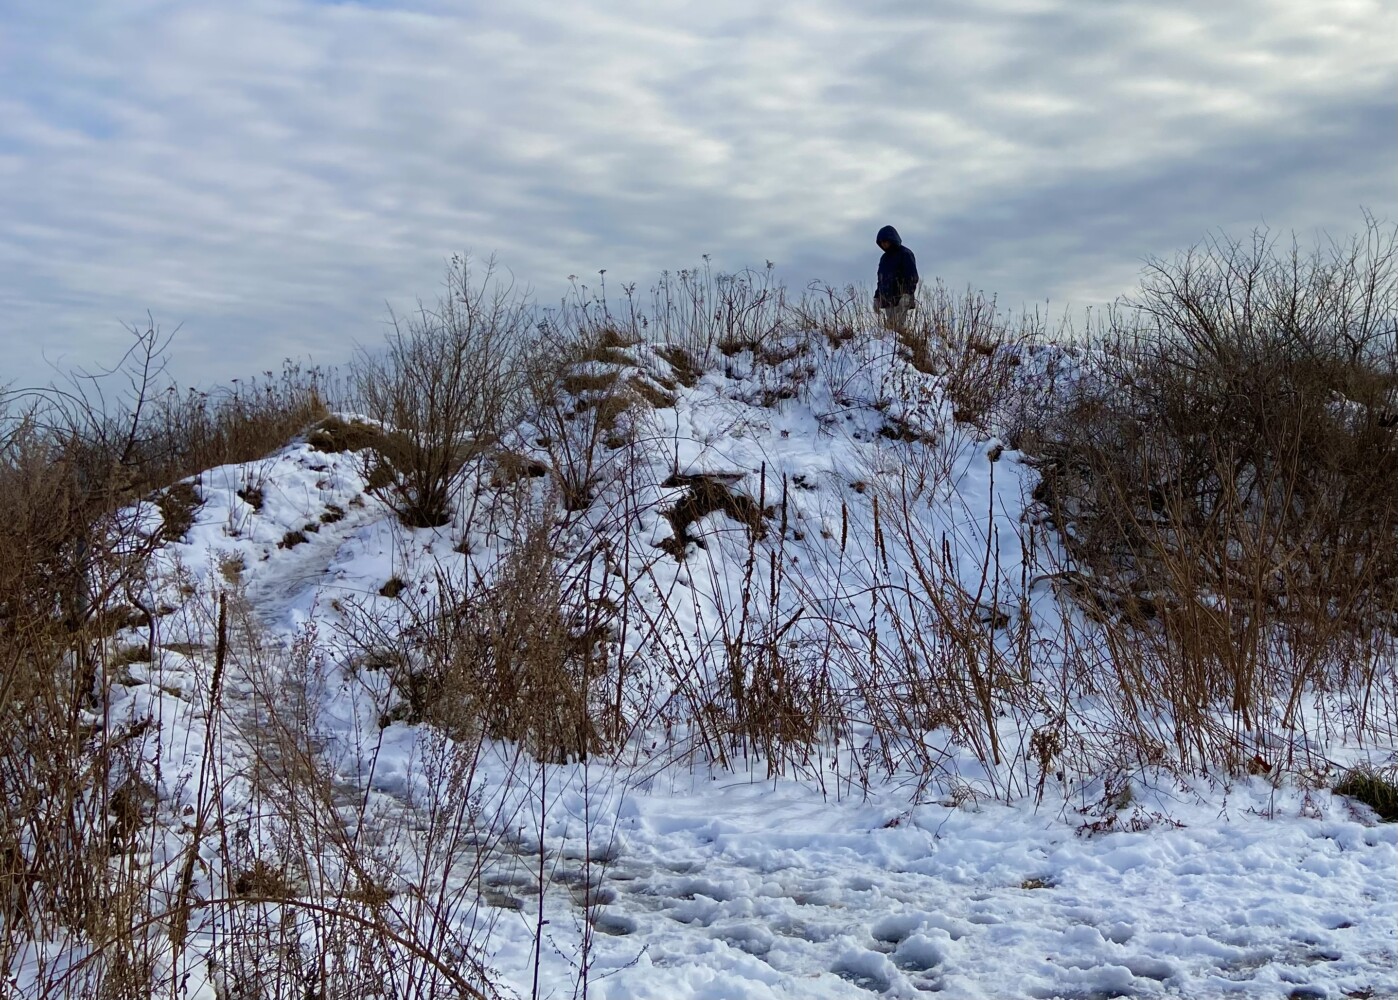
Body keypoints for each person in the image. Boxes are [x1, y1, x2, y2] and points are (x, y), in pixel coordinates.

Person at [874, 225, 918, 330]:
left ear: (892, 239)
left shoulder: (905, 254)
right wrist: (877, 297)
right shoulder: (884, 259)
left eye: (885, 241)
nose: (883, 244)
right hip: (888, 300)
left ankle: (904, 345)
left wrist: (907, 294)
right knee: (890, 329)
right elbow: (881, 280)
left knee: (898, 328)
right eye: (881, 242)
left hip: (902, 297)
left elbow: (912, 277)